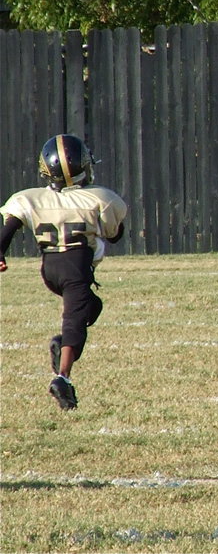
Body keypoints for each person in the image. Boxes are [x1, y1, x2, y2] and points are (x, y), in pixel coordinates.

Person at [0, 134, 128, 411]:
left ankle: (61, 347)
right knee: (74, 323)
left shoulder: (31, 198)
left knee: (91, 308)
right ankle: (63, 378)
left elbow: (10, 225)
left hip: (50, 269)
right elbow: (114, 234)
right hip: (76, 266)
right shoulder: (99, 198)